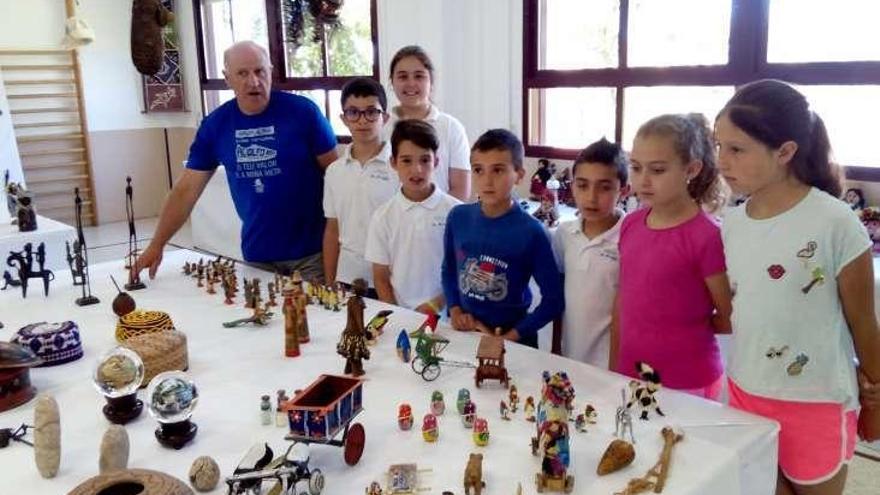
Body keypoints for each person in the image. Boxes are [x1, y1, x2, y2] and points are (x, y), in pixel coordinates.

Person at [716, 79, 880, 495]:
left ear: (785, 152)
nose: (722, 160)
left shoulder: (835, 222)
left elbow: (865, 325)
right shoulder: (731, 224)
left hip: (816, 402)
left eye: (736, 149)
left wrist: (876, 405)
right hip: (745, 394)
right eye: (719, 146)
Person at [134, 41, 337, 281]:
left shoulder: (304, 113)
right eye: (242, 73)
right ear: (227, 78)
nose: (253, 81)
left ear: (270, 71)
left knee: (314, 318)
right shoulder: (216, 125)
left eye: (260, 71)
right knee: (265, 317)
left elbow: (336, 178)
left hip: (311, 256)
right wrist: (157, 244)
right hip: (258, 255)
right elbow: (185, 191)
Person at [613, 113, 732, 400]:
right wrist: (614, 365)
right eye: (636, 167)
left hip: (687, 379)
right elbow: (622, 301)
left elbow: (729, 316)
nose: (643, 180)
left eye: (657, 170)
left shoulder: (706, 236)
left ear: (691, 169)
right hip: (631, 371)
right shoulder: (630, 223)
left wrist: (680, 328)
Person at [441, 129, 563, 348]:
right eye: (478, 170)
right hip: (466, 331)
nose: (487, 181)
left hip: (514, 338)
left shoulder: (532, 232)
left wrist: (510, 338)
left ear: (519, 174)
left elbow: (554, 301)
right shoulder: (457, 217)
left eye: (498, 170)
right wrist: (455, 309)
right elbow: (449, 270)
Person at [365, 120, 460, 313]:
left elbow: (463, 270)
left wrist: (436, 304)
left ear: (436, 162)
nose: (416, 170)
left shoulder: (457, 212)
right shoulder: (383, 216)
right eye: (406, 160)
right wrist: (398, 316)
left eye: (425, 160)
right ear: (393, 162)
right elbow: (381, 277)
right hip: (401, 315)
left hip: (451, 318)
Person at [551, 138, 629, 368]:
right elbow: (558, 296)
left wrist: (615, 368)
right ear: (572, 186)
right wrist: (556, 348)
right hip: (570, 356)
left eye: (604, 187)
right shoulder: (564, 234)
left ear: (623, 191)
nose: (591, 197)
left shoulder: (630, 239)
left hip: (611, 363)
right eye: (582, 185)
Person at [322, 77, 398, 288]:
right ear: (343, 118)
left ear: (385, 117)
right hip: (347, 277)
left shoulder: (400, 168)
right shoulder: (334, 171)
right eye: (353, 112)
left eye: (372, 112)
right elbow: (332, 230)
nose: (362, 120)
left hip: (392, 279)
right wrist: (330, 282)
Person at [386, 45, 471, 201]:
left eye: (419, 76)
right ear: (392, 82)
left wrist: (429, 218)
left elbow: (460, 191)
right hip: (392, 222)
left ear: (431, 82)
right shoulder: (382, 128)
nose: (411, 83)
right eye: (403, 77)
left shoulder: (451, 128)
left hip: (439, 222)